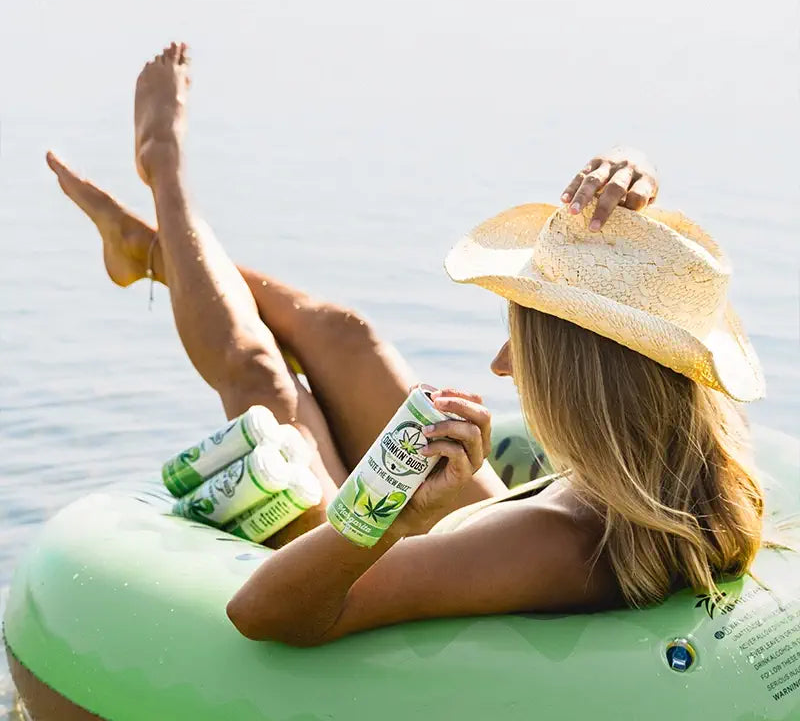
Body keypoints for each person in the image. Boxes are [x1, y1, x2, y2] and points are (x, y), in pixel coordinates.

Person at [48, 42, 764, 648]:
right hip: (495, 526)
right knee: (345, 334)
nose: (502, 365)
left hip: (366, 549)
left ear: (581, 378)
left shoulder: (553, 542)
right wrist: (631, 168)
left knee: (267, 382)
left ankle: (164, 167)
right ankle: (151, 252)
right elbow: (639, 310)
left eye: (521, 339)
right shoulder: (700, 462)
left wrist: (391, 515)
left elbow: (259, 612)